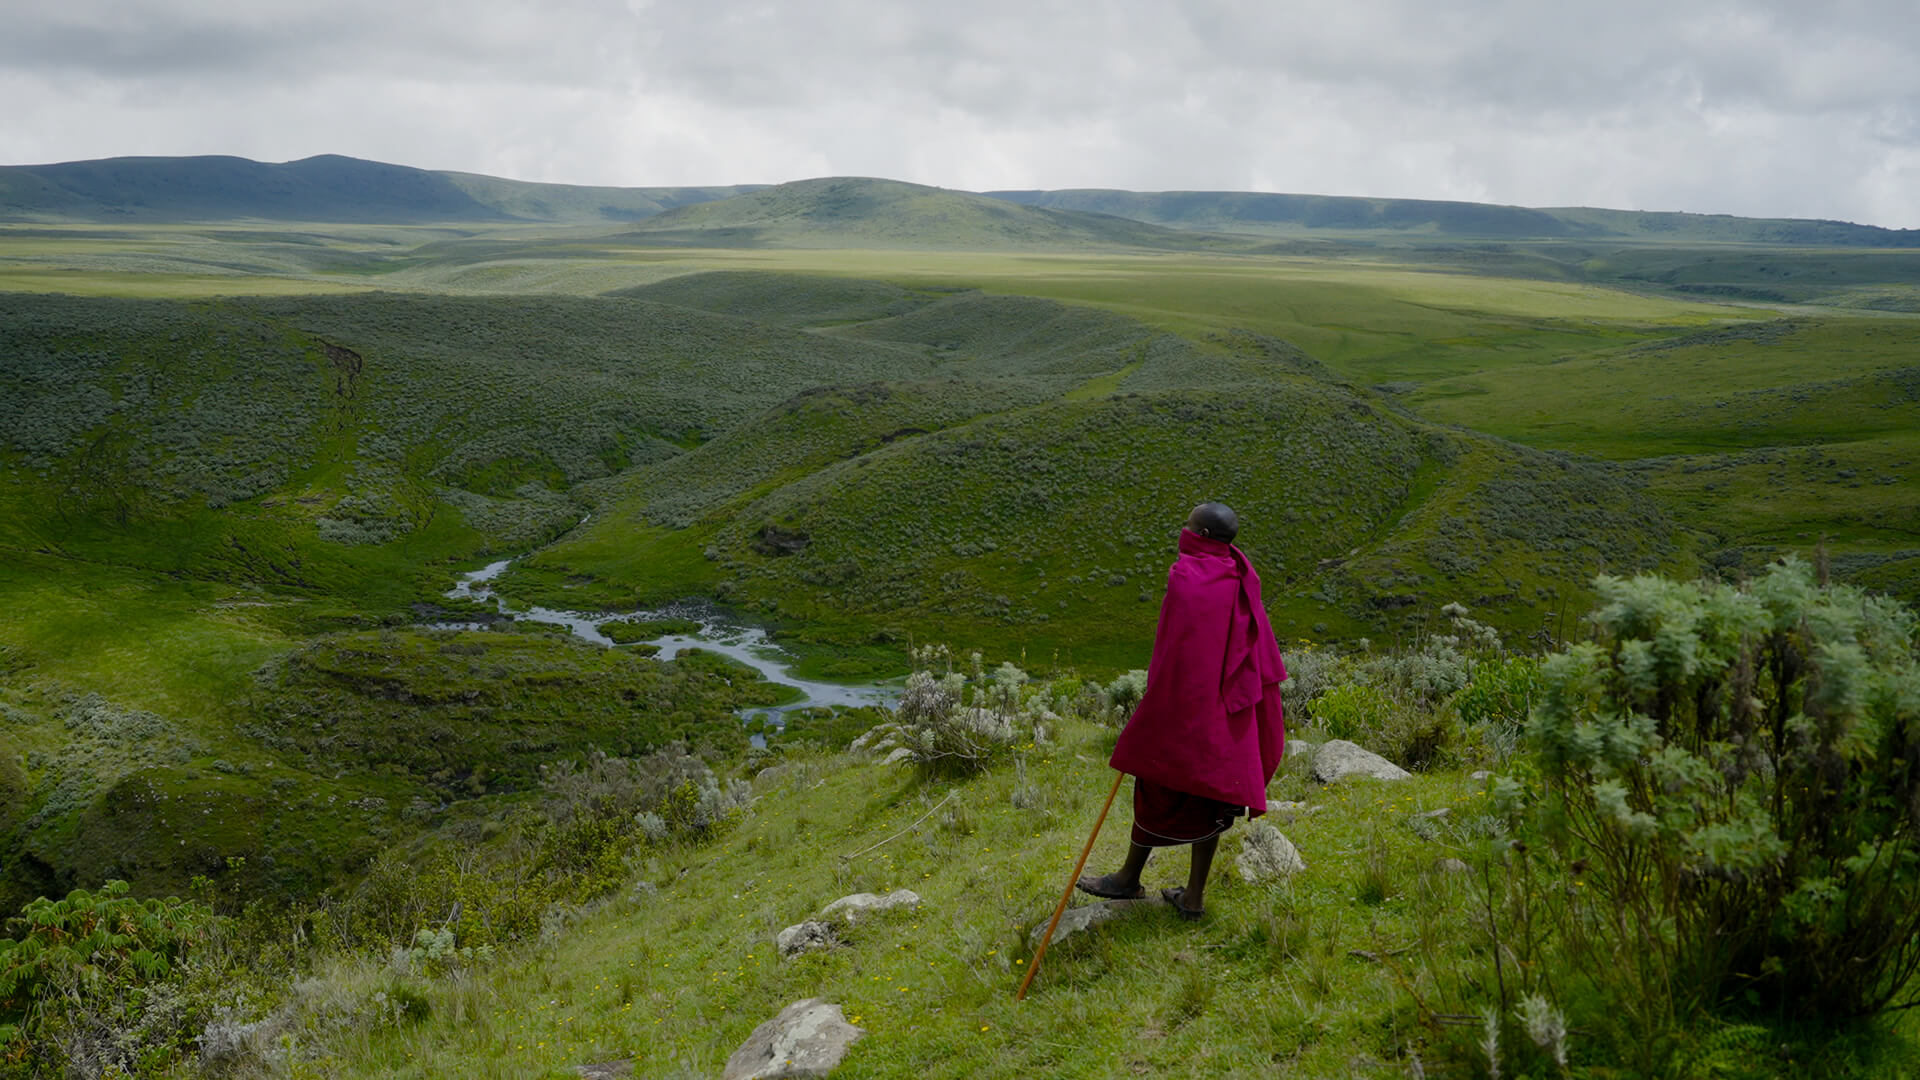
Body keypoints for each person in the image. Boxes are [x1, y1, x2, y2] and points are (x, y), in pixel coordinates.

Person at [1077, 502, 1287, 919]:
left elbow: (1173, 651)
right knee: (1213, 793)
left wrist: (1156, 701)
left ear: (1204, 536)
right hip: (1228, 712)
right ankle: (1193, 897)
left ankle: (1127, 879)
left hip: (1187, 704)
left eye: (1188, 526)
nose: (1183, 531)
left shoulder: (1186, 576)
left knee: (1156, 781)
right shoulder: (1243, 577)